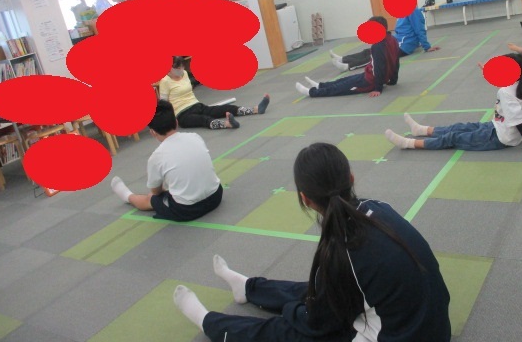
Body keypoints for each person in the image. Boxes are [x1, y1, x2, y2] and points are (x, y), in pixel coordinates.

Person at [173, 142, 451, 341]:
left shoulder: (342, 254)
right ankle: (248, 287)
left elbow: (316, 323)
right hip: (435, 328)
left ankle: (210, 323)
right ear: (351, 178)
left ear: (305, 199)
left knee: (289, 332)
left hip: (398, 334)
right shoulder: (378, 208)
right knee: (317, 290)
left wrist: (293, 310)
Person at [385, 53, 522, 158]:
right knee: (459, 127)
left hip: (500, 138)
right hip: (496, 126)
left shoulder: (507, 92)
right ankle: (421, 130)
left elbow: (521, 121)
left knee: (453, 137)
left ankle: (409, 143)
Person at [110, 99, 223, 221]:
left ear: (153, 132)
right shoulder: (195, 136)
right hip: (216, 196)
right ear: (176, 122)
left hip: (187, 210)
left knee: (151, 198)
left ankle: (128, 197)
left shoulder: (156, 157)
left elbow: (155, 191)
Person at [295, 16, 399, 97]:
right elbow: (396, 61)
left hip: (370, 82)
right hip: (369, 75)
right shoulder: (392, 39)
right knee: (344, 80)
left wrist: (378, 88)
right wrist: (393, 80)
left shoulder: (378, 46)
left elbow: (379, 67)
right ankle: (320, 85)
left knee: (339, 88)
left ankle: (311, 92)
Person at [159, 56, 270, 129]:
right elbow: (163, 104)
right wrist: (170, 120)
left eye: (181, 66)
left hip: (196, 105)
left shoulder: (185, 74)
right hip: (182, 114)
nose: (180, 69)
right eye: (177, 68)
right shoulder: (165, 81)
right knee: (203, 119)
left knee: (222, 109)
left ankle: (255, 109)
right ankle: (227, 124)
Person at [329, 9, 440, 72]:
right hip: (398, 41)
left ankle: (348, 66)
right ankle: (343, 59)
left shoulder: (413, 11)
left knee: (376, 56)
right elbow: (403, 30)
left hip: (403, 46)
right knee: (368, 51)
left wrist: (427, 46)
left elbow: (419, 29)